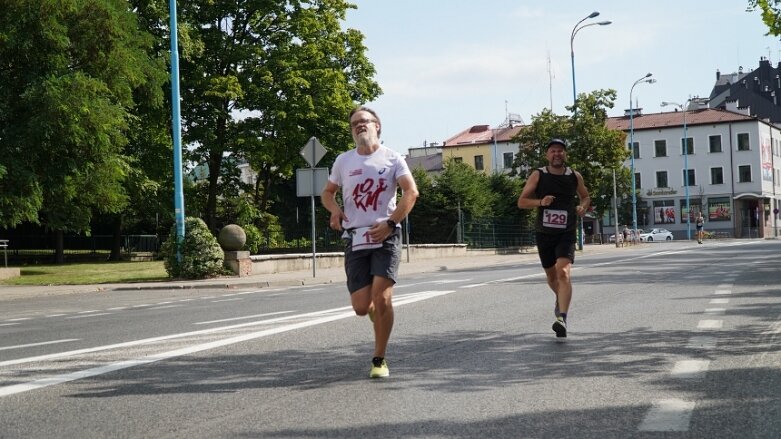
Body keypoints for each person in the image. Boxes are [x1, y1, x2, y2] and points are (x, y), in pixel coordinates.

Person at [321, 106, 419, 378]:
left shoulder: (392, 158)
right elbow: (328, 193)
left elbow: (411, 192)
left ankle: (379, 359)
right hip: (355, 237)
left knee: (383, 297)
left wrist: (390, 223)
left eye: (365, 121)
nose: (360, 126)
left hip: (385, 234)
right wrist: (334, 210)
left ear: (378, 126)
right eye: (355, 124)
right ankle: (374, 310)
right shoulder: (344, 161)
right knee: (362, 307)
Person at [516, 138, 591, 341]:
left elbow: (585, 196)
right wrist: (541, 201)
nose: (557, 154)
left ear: (565, 154)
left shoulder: (574, 176)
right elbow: (521, 202)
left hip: (567, 231)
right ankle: (560, 298)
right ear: (547, 155)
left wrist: (583, 206)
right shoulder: (538, 175)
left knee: (564, 272)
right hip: (544, 233)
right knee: (551, 276)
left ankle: (562, 319)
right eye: (553, 151)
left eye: (560, 151)